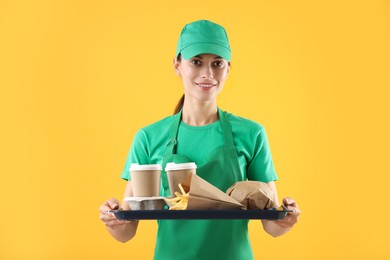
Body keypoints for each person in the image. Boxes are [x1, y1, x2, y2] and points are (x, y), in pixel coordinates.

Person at [99, 20, 301, 260]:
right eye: (196, 62)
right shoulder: (148, 137)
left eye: (217, 63)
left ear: (228, 68)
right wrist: (114, 221)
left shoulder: (252, 133)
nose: (208, 73)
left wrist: (286, 219)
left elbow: (271, 226)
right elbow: (127, 231)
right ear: (177, 64)